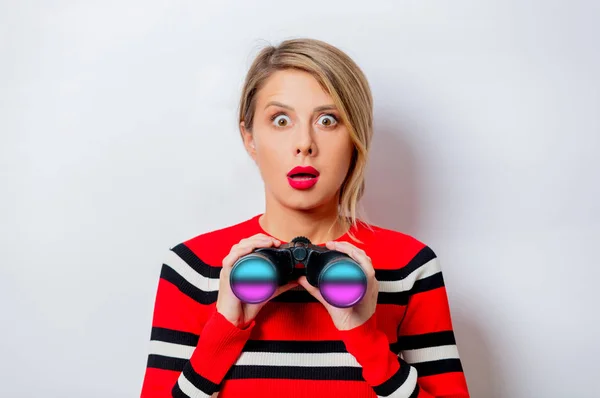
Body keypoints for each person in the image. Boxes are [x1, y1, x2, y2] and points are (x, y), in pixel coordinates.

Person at [140, 38, 470, 398]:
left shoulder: (411, 267)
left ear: (356, 137)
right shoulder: (191, 266)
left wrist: (364, 337)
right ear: (249, 137)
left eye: (328, 120)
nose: (305, 144)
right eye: (281, 120)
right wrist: (225, 329)